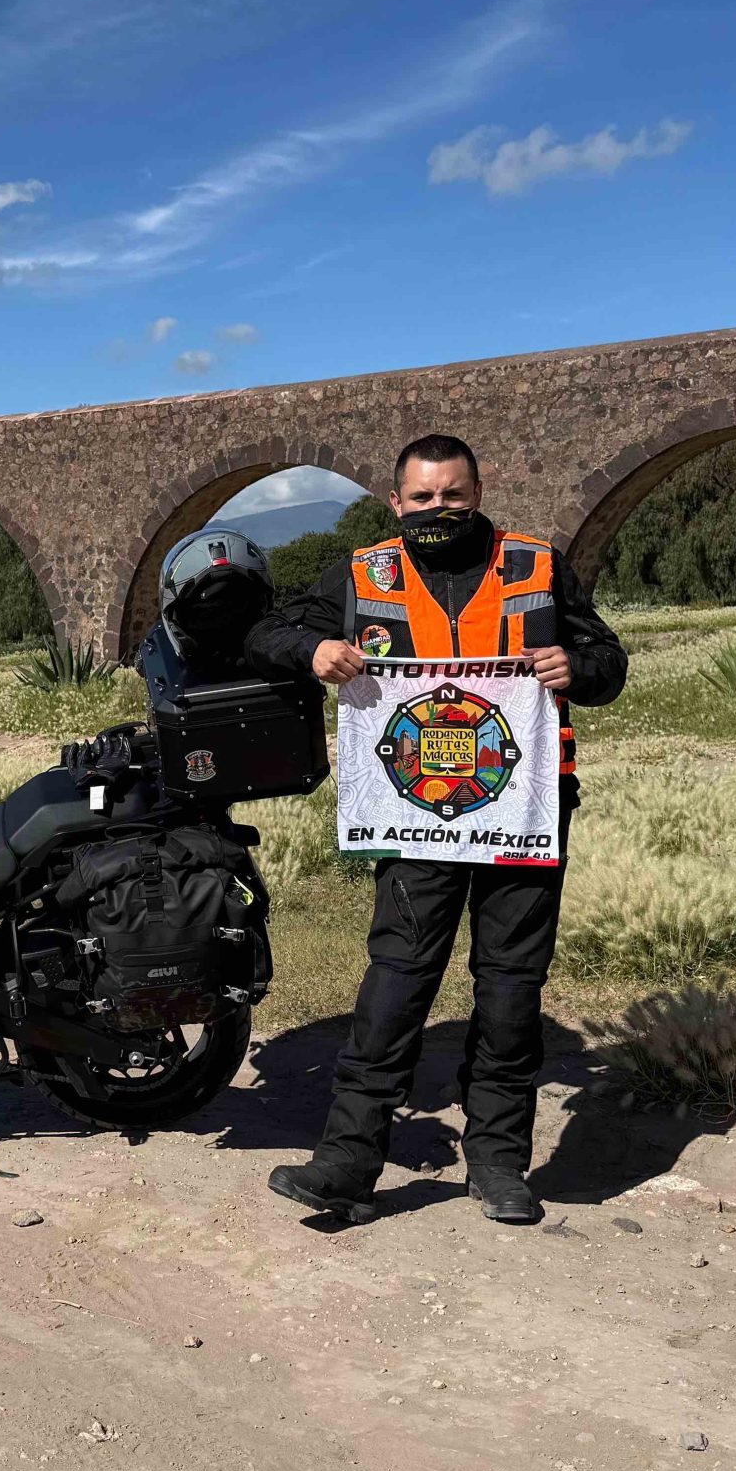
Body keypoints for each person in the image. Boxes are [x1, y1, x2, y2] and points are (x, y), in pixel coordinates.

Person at [250, 433, 627, 1226]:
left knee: (510, 990)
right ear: (396, 503)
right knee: (395, 982)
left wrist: (576, 669)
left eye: (452, 495)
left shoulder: (538, 565)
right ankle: (349, 1159)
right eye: (421, 498)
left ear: (479, 492)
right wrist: (314, 648)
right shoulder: (363, 573)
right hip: (415, 818)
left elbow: (607, 662)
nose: (437, 510)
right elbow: (268, 632)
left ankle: (496, 1161)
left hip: (525, 813)